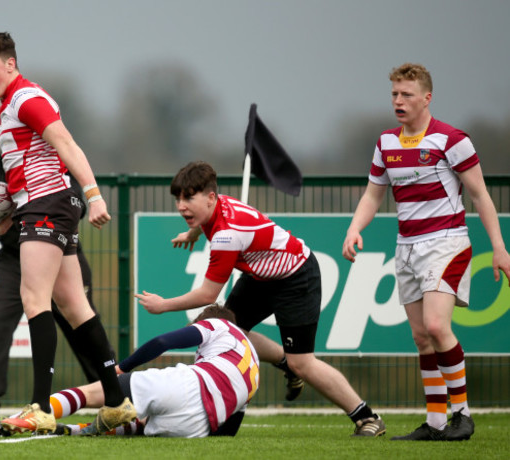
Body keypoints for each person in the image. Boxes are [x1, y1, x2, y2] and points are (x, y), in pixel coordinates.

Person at [0, 31, 135, 435]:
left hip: (47, 205)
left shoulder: (26, 98)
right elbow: (29, 168)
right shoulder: (9, 105)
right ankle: (117, 403)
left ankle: (41, 407)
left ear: (11, 64)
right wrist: (2, 218)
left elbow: (66, 143)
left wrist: (94, 196)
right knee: (76, 307)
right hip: (42, 205)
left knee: (32, 297)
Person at [136, 161, 385, 437]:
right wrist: (191, 232)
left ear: (209, 197)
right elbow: (205, 221)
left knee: (302, 362)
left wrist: (163, 305)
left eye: (188, 198)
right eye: (178, 199)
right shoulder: (215, 207)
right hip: (261, 276)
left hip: (296, 276)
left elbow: (208, 295)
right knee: (227, 333)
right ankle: (284, 363)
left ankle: (367, 418)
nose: (181, 206)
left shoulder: (227, 235)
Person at [342, 63, 510, 441]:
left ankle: (462, 415)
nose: (398, 101)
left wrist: (499, 248)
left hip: (447, 244)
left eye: (406, 95)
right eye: (394, 95)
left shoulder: (452, 140)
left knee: (437, 327)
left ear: (427, 98)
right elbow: (373, 194)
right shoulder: (386, 142)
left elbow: (481, 195)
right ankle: (435, 423)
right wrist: (355, 227)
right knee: (421, 337)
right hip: (406, 247)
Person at [0, 102, 110, 426]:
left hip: (57, 250)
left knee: (81, 323)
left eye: (2, 123)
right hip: (12, 258)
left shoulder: (47, 152)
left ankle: (112, 396)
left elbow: (74, 204)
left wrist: (29, 214)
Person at [0, 304, 259, 438]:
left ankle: (23, 418)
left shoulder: (218, 325)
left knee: (97, 392)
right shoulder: (253, 360)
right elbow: (229, 432)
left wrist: (122, 368)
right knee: (138, 423)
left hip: (188, 386)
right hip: (196, 426)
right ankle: (72, 431)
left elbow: (163, 343)